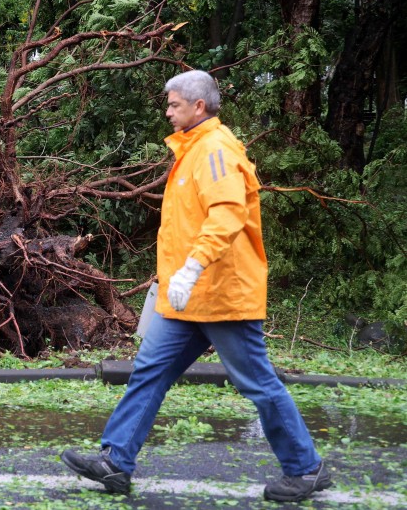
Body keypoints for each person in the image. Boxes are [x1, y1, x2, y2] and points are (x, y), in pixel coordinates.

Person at [61, 70, 330, 503]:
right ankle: (115, 461)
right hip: (187, 297)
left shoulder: (215, 149)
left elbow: (226, 214)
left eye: (173, 104)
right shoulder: (193, 149)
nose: (167, 112)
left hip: (222, 293)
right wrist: (177, 277)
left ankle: (305, 469)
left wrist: (191, 268)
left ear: (198, 106)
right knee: (149, 371)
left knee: (257, 382)